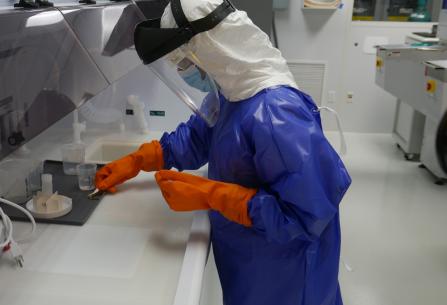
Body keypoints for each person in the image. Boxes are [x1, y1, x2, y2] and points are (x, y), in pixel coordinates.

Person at [95, 0, 352, 304]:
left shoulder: (276, 112)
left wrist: (212, 195)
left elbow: (306, 215)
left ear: (210, 48)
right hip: (250, 266)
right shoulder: (233, 93)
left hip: (287, 278)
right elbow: (197, 136)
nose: (183, 73)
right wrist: (139, 159)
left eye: (185, 64)